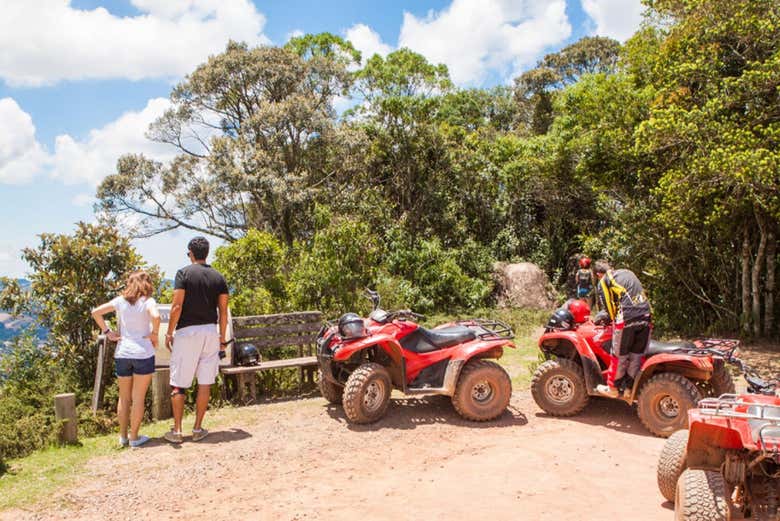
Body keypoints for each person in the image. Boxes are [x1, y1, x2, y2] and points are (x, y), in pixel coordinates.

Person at [164, 236, 229, 444]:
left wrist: (169, 332)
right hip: (210, 331)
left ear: (191, 253)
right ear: (206, 253)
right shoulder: (218, 277)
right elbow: (223, 312)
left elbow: (176, 306)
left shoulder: (183, 273)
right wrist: (221, 338)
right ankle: (198, 428)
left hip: (187, 332)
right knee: (205, 382)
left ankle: (177, 430)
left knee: (178, 383)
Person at [91, 271, 160, 448]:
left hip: (123, 352)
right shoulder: (148, 301)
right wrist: (154, 334)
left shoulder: (120, 301)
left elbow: (95, 312)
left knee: (124, 397)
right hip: (143, 353)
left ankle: (122, 436)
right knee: (138, 398)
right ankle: (134, 437)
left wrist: (108, 332)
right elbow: (156, 316)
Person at [593, 261, 652, 398]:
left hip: (627, 319)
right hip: (646, 317)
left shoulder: (604, 280)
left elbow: (608, 305)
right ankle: (629, 389)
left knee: (619, 355)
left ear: (598, 274)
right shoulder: (627, 272)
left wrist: (610, 319)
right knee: (637, 355)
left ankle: (612, 388)